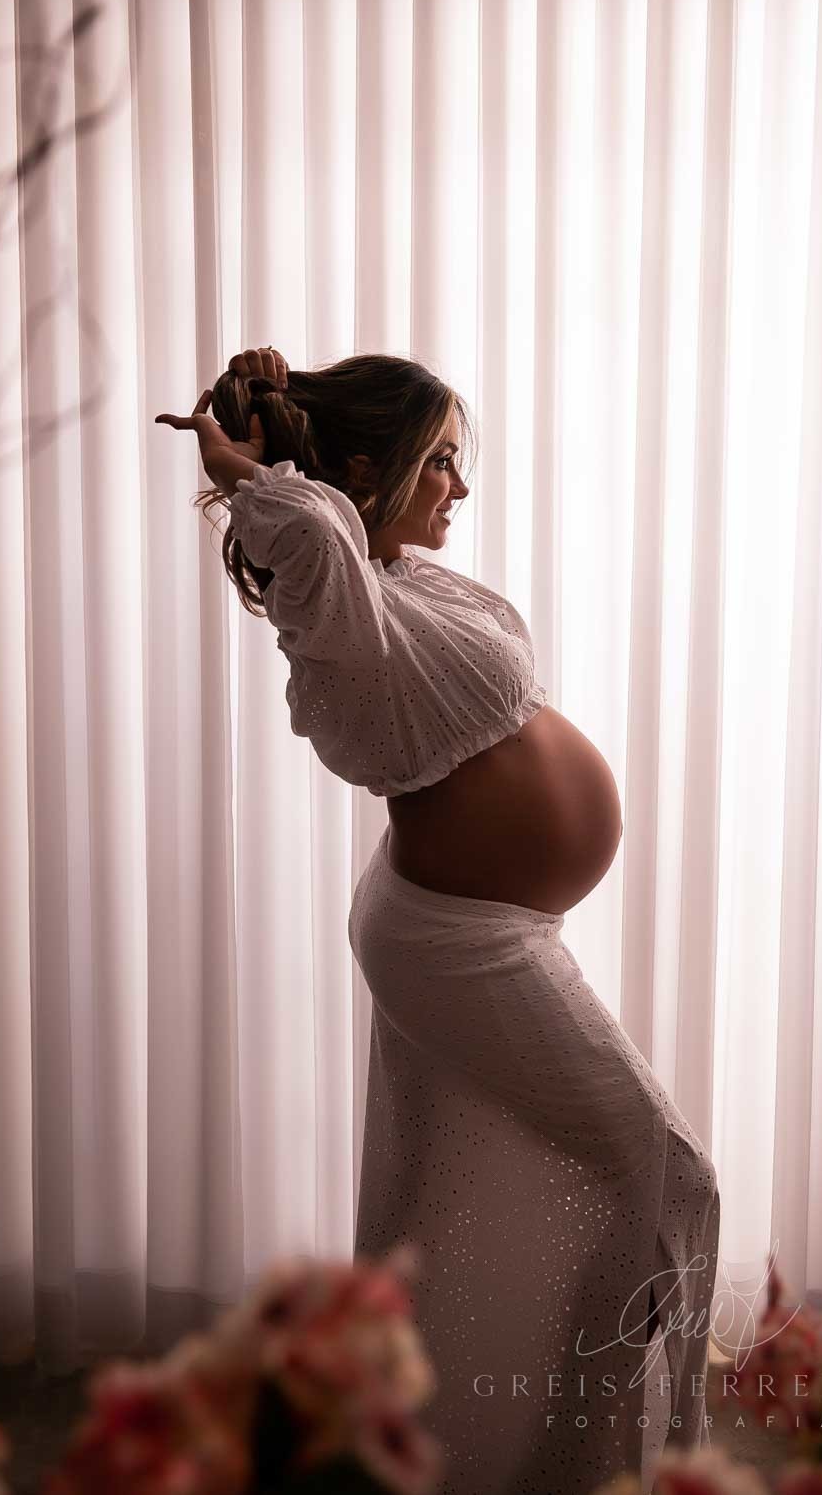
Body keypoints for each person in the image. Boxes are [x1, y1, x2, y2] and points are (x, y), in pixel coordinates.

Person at [156, 347, 721, 1495]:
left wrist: (285, 425)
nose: (459, 489)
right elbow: (307, 531)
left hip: (472, 922)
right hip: (460, 941)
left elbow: (335, 527)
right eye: (442, 463)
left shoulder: (397, 575)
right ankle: (592, 1463)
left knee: (435, 1200)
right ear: (367, 467)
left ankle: (427, 1441)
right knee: (665, 1175)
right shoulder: (334, 600)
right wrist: (246, 467)